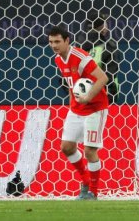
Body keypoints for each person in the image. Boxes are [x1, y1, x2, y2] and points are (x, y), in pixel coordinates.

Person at [48, 25, 109, 200]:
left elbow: (103, 78)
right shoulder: (58, 59)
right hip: (76, 109)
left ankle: (93, 192)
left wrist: (88, 97)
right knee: (66, 147)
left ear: (67, 41)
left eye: (57, 41)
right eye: (51, 42)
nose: (54, 45)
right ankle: (86, 181)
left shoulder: (80, 57)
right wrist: (72, 105)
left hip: (95, 108)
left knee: (90, 151)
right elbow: (71, 86)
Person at [78, 10, 120, 104]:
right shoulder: (109, 46)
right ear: (103, 27)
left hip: (81, 98)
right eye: (105, 22)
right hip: (105, 99)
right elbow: (110, 76)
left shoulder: (77, 47)